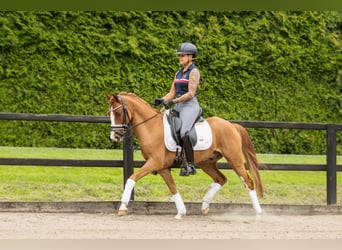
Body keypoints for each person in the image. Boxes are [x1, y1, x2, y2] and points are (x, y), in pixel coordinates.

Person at [154, 42, 201, 176]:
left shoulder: (194, 72)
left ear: (191, 56)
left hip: (190, 106)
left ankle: (191, 164)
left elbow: (191, 93)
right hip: (179, 105)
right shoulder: (178, 73)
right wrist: (162, 100)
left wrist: (173, 102)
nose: (180, 58)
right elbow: (172, 92)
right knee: (163, 127)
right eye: (179, 55)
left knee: (184, 132)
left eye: (183, 55)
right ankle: (161, 160)